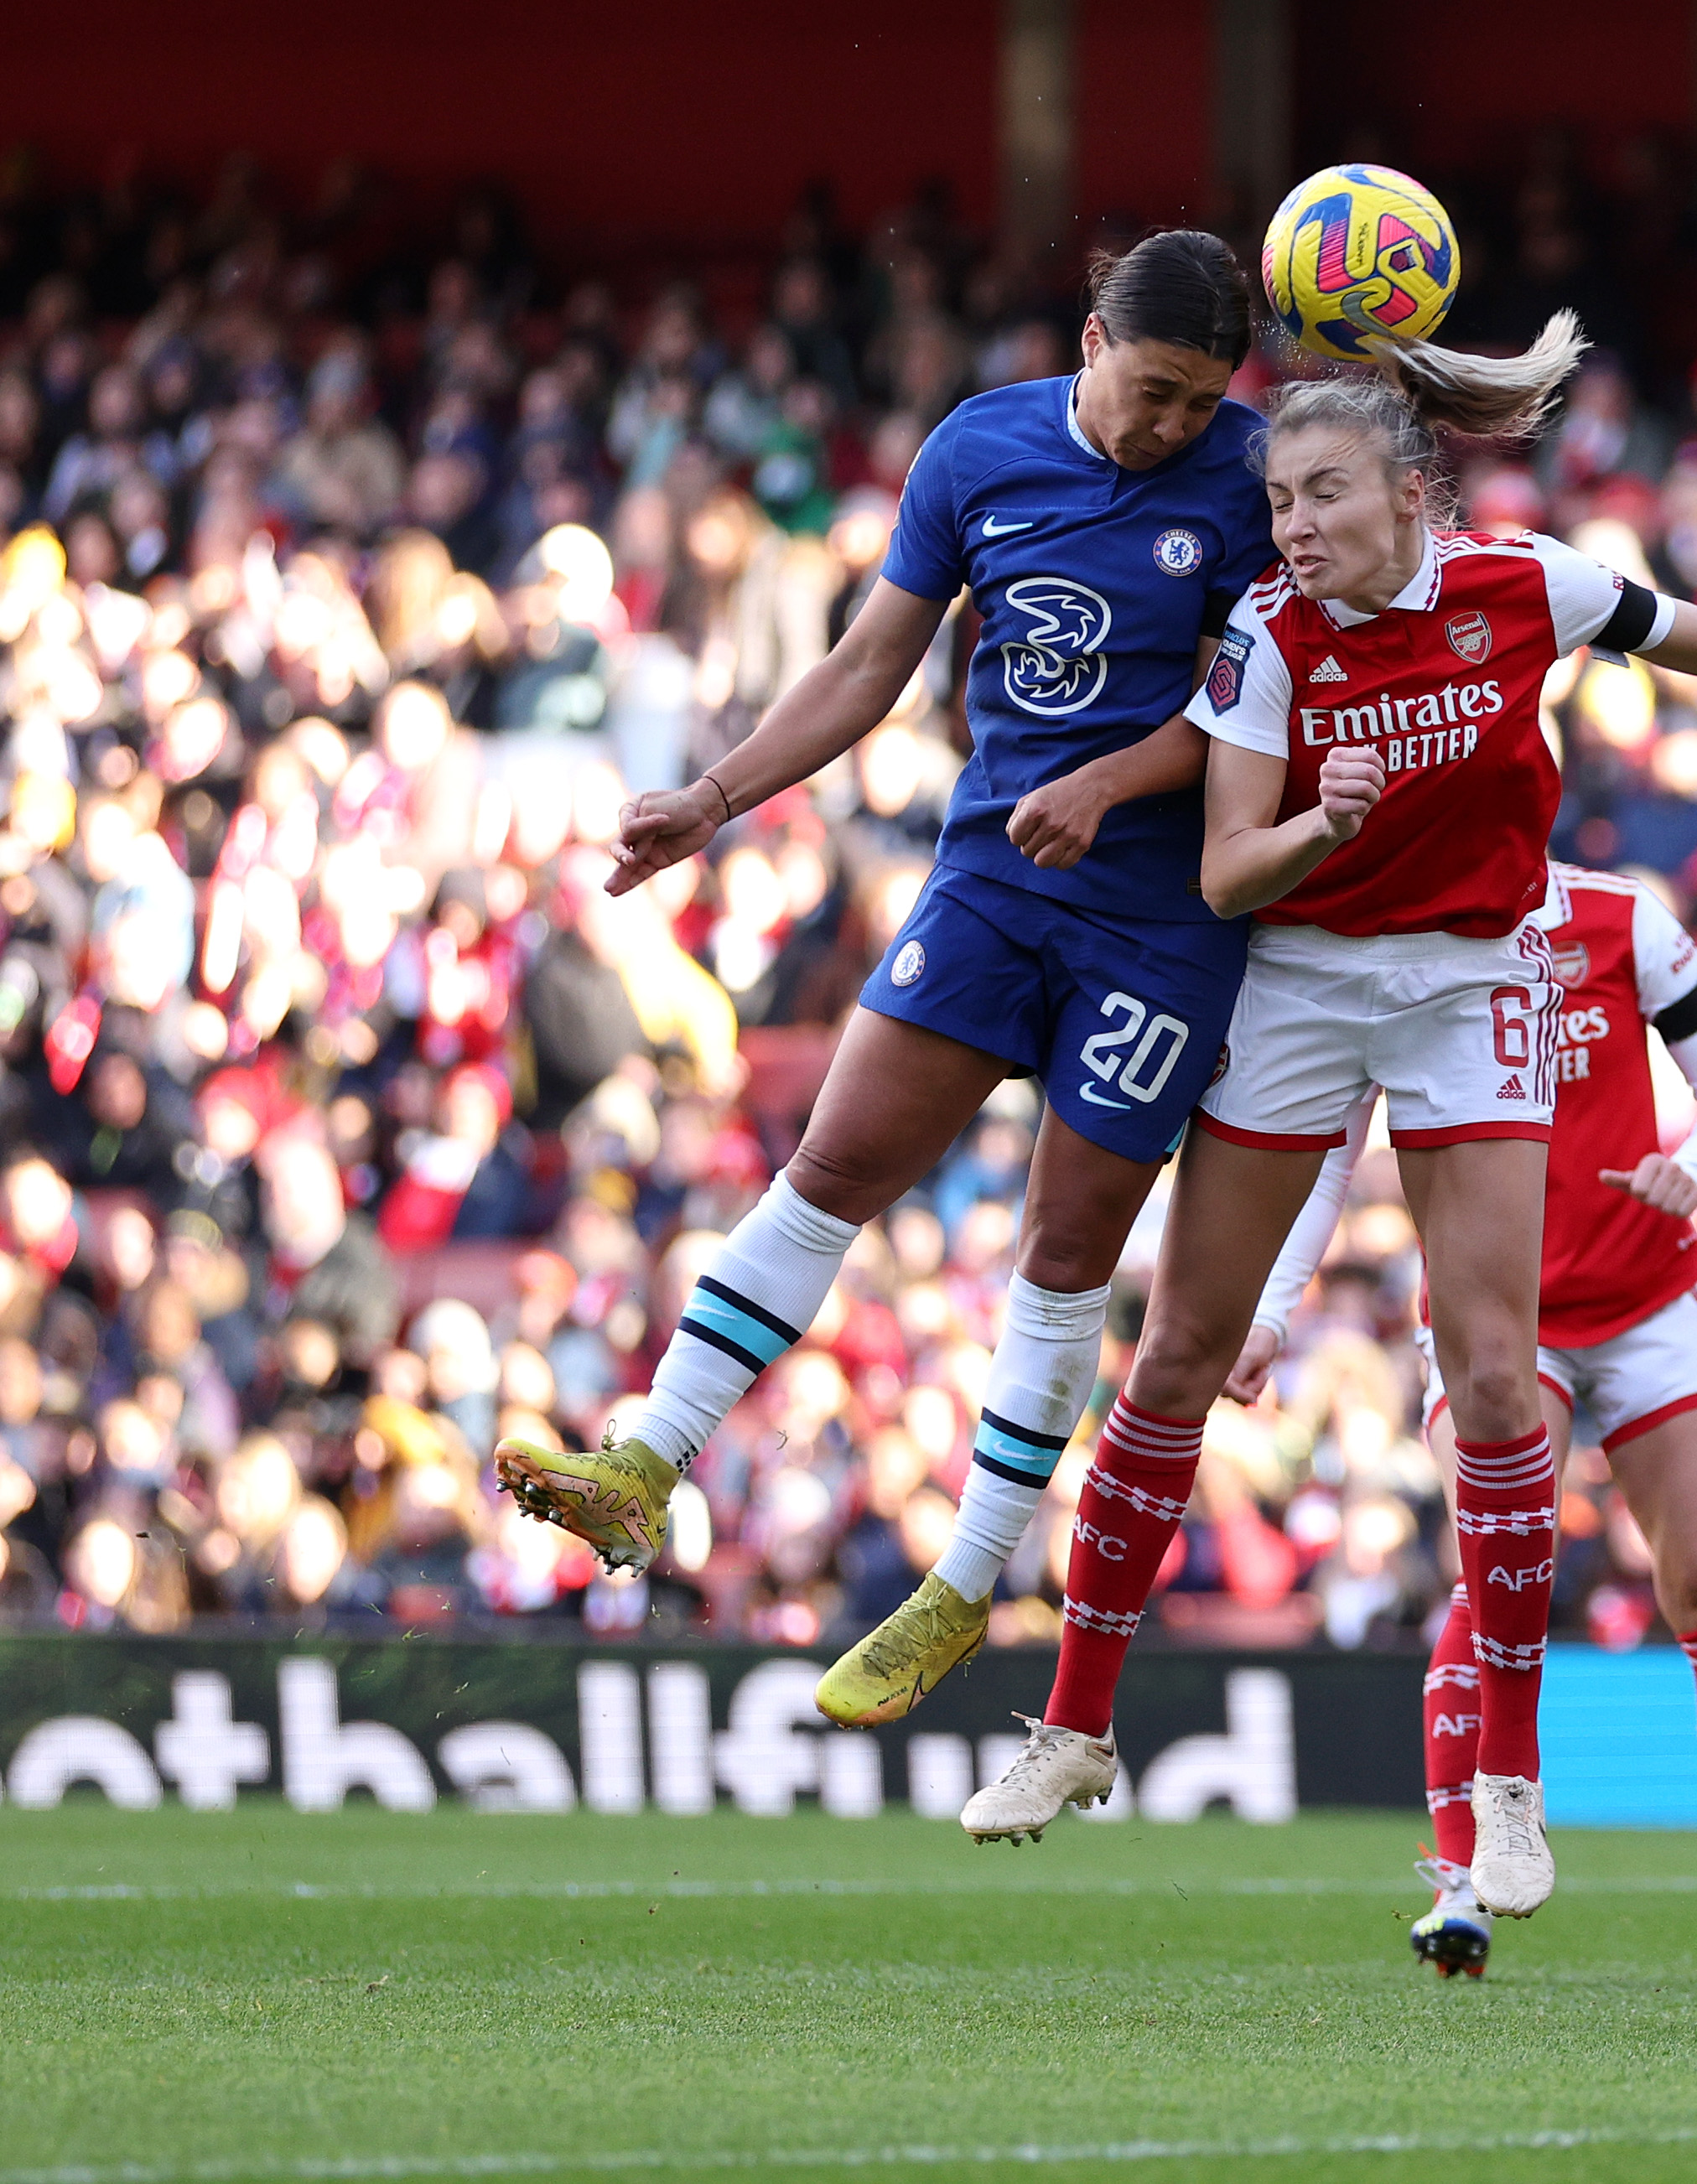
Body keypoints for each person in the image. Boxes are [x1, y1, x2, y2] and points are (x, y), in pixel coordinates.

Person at [953, 312, 1697, 1929]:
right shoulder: (1266, 639)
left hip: (1471, 980)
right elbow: (1224, 873)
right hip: (1298, 985)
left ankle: (1502, 1784)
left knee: (1495, 1374)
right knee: (1182, 1354)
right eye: (1278, 500)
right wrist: (1315, 828)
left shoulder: (1531, 583)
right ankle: (1073, 1726)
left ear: (1414, 492)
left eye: (1322, 493)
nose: (1292, 527)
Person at [496, 235, 1277, 1740]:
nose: (1174, 427)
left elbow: (1250, 712)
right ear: (1093, 335)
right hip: (993, 881)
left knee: (1061, 1251)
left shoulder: (1252, 480)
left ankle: (966, 1581)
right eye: (1157, 391)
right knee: (833, 1164)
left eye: (1199, 404)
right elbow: (869, 666)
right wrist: (713, 799)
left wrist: (1113, 781)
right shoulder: (977, 448)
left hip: (1164, 922)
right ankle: (647, 1462)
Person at [1222, 860, 1697, 1987]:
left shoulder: (1621, 916)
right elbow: (1329, 1150)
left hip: (1651, 1293)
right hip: (1498, 1314)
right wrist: (1267, 1308)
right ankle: (1464, 1879)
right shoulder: (1388, 929)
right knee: (1499, 1563)